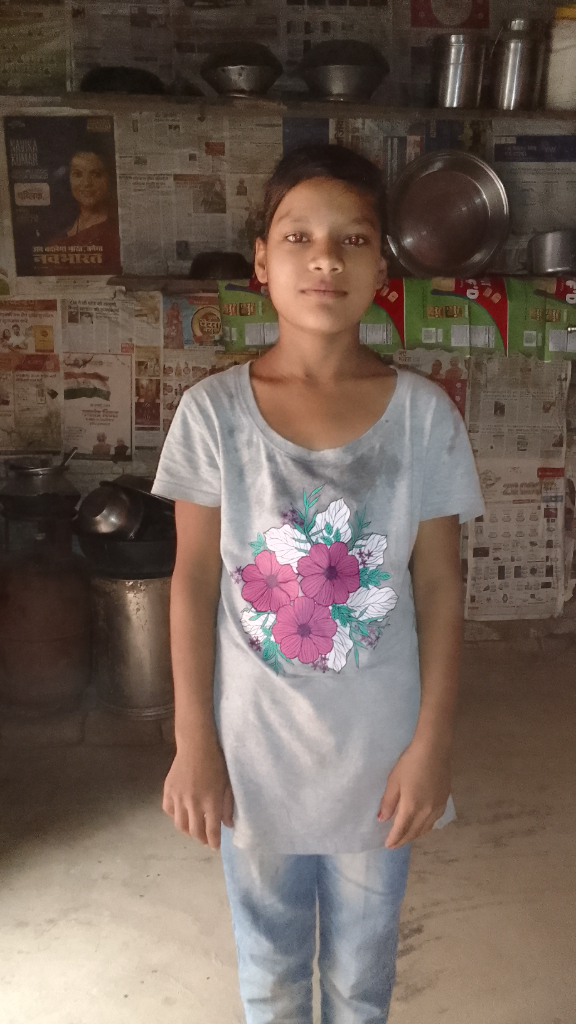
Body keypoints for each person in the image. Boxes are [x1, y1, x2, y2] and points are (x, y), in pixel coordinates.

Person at [152, 143, 484, 1024]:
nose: (325, 257)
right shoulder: (213, 414)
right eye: (298, 235)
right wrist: (193, 741)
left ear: (384, 261)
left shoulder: (424, 417)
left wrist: (432, 745)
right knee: (268, 973)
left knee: (360, 982)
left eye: (354, 238)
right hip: (252, 752)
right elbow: (189, 579)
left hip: (379, 760)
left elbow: (442, 586)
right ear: (261, 259)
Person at [38, 146, 121, 275]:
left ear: (107, 179)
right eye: (77, 174)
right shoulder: (59, 233)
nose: (86, 183)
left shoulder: (118, 231)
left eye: (96, 174)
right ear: (68, 179)